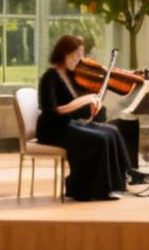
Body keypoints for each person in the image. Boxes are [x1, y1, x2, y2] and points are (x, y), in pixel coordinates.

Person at [37, 34, 131, 201]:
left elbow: (78, 110)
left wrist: (92, 106)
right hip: (52, 128)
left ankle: (120, 181)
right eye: (75, 55)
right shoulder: (49, 78)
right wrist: (84, 100)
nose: (79, 59)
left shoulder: (72, 76)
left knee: (112, 131)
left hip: (70, 124)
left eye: (81, 55)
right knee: (100, 139)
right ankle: (94, 189)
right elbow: (52, 110)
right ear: (63, 54)